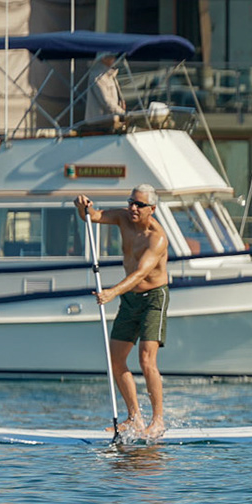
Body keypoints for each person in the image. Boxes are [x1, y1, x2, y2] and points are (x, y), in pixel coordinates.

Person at [76, 186, 170, 438]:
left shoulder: (157, 238)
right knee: (115, 359)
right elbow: (92, 217)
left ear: (152, 209)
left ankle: (158, 421)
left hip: (153, 299)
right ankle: (134, 418)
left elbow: (140, 273)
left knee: (146, 360)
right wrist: (82, 206)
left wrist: (112, 292)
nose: (133, 208)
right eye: (131, 202)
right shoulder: (122, 218)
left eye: (139, 205)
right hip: (130, 298)